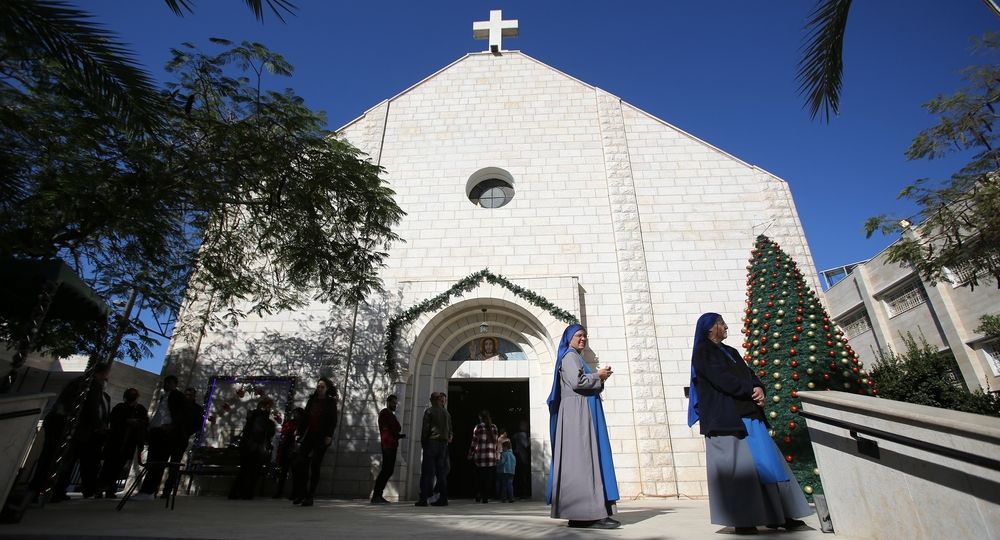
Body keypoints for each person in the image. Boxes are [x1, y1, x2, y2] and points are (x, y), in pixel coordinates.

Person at [687, 313, 811, 535]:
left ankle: (779, 515)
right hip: (725, 419)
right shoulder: (703, 352)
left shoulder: (732, 352)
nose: (725, 327)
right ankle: (743, 519)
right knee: (737, 471)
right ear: (709, 328)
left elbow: (749, 374)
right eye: (721, 324)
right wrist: (748, 390)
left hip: (749, 415)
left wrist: (758, 387)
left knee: (768, 465)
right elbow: (721, 379)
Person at [546, 324, 621, 529]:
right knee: (583, 462)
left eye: (585, 336)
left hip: (579, 411)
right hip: (576, 414)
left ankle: (580, 514)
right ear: (569, 338)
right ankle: (590, 514)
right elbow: (577, 382)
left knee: (580, 463)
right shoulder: (570, 356)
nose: (583, 339)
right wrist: (599, 375)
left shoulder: (575, 356)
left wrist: (599, 377)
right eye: (579, 335)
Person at [30, 363, 112, 502]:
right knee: (61, 461)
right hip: (69, 428)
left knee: (49, 459)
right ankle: (51, 491)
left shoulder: (78, 381)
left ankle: (36, 491)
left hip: (60, 425)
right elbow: (91, 408)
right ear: (103, 373)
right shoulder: (92, 385)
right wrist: (99, 425)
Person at [134, 375, 187, 500]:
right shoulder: (164, 397)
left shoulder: (177, 396)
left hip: (165, 433)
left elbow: (181, 414)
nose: (166, 385)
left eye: (169, 383)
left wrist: (172, 426)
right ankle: (147, 490)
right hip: (156, 432)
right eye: (165, 382)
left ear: (174, 384)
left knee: (158, 462)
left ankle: (149, 491)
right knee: (153, 461)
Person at [292, 377, 338, 507]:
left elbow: (333, 420)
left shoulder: (330, 402)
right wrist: (299, 432)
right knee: (300, 463)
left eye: (322, 387)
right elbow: (305, 417)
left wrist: (329, 435)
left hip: (321, 437)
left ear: (327, 388)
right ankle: (302, 493)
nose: (320, 389)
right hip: (309, 435)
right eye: (318, 387)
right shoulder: (312, 400)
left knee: (315, 465)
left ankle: (310, 495)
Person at [97, 387, 148, 498]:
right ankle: (100, 488)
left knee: (119, 466)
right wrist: (127, 421)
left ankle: (111, 489)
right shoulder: (120, 407)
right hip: (115, 441)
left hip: (129, 442)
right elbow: (113, 420)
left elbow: (144, 423)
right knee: (108, 465)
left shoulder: (140, 409)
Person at [229, 398, 276, 500]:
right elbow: (261, 432)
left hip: (252, 447)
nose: (268, 409)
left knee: (248, 470)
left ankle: (242, 492)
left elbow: (267, 432)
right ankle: (244, 492)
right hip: (253, 448)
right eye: (267, 406)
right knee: (249, 470)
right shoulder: (259, 418)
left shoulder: (256, 417)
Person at [415, 391, 451, 507]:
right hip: (443, 445)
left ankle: (424, 498)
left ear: (432, 399)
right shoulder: (446, 413)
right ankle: (443, 498)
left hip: (432, 443)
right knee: (441, 473)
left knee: (427, 472)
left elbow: (425, 429)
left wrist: (423, 442)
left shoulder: (429, 411)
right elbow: (449, 430)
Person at [370, 395, 404, 504]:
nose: (395, 405)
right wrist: (395, 431)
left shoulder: (391, 415)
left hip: (392, 445)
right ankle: (376, 496)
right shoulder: (385, 413)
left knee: (389, 470)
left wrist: (396, 433)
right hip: (387, 445)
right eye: (393, 403)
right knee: (386, 470)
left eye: (396, 403)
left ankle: (378, 495)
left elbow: (397, 428)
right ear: (388, 402)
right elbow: (394, 428)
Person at [467, 409, 498, 503]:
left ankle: (478, 494)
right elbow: (496, 443)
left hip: (480, 457)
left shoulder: (478, 427)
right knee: (488, 478)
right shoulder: (494, 427)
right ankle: (485, 497)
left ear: (480, 417)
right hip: (491, 457)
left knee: (479, 477)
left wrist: (470, 454)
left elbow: (474, 442)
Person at [273, 407, 304, 499]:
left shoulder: (301, 423)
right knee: (284, 473)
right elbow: (284, 432)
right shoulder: (290, 422)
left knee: (295, 474)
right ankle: (279, 492)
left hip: (295, 450)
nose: (295, 415)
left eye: (296, 414)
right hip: (288, 449)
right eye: (294, 413)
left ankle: (294, 493)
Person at [511, 419, 531, 499]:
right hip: (522, 458)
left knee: (519, 476)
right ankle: (523, 493)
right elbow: (526, 445)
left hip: (518, 457)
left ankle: (519, 493)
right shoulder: (522, 435)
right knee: (523, 476)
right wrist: (531, 440)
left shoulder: (516, 435)